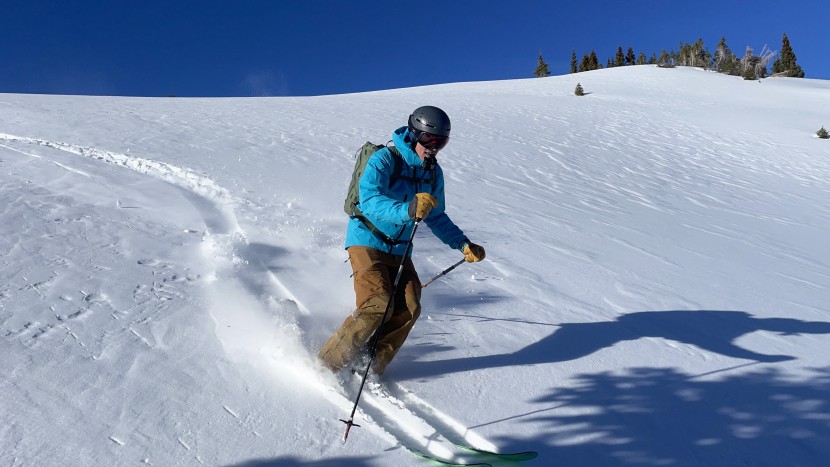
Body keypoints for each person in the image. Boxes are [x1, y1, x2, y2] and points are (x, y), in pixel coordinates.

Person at [318, 105, 486, 375]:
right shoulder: (384, 160)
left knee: (410, 307)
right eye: (429, 140)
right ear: (413, 134)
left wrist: (462, 244)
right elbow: (369, 201)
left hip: (400, 248)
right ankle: (327, 366)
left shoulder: (433, 173)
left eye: (441, 142)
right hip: (367, 238)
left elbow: (437, 216)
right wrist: (407, 209)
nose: (433, 147)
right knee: (378, 303)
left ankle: (369, 365)